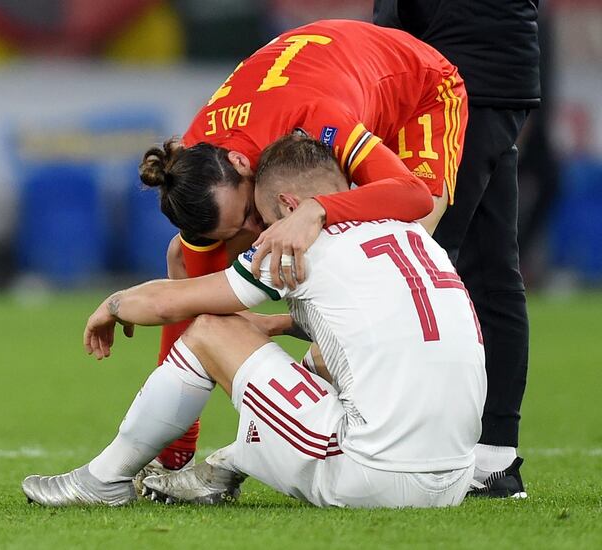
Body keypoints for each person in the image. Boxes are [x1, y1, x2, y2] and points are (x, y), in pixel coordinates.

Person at [22, 135, 485, 508]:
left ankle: (104, 479)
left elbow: (171, 304)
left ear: (287, 205)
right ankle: (229, 464)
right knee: (324, 359)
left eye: (259, 217)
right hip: (456, 477)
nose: (259, 232)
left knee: (208, 329)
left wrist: (114, 304)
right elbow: (371, 322)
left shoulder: (295, 243)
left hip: (374, 479)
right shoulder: (409, 231)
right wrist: (280, 325)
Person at [139, 18, 468, 474]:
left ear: (241, 162)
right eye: (240, 229)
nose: (254, 230)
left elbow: (410, 195)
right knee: (188, 263)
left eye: (252, 217)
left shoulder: (312, 119)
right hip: (332, 83)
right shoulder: (194, 177)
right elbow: (186, 295)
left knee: (397, 243)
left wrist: (318, 209)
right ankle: (299, 396)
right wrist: (175, 453)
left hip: (419, 89)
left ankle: (348, 400)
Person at [373, 0, 539, 496]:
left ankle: (408, 444)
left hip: (456, 75)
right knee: (490, 267)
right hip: (491, 69)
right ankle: (494, 458)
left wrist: (390, 52)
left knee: (414, 262)